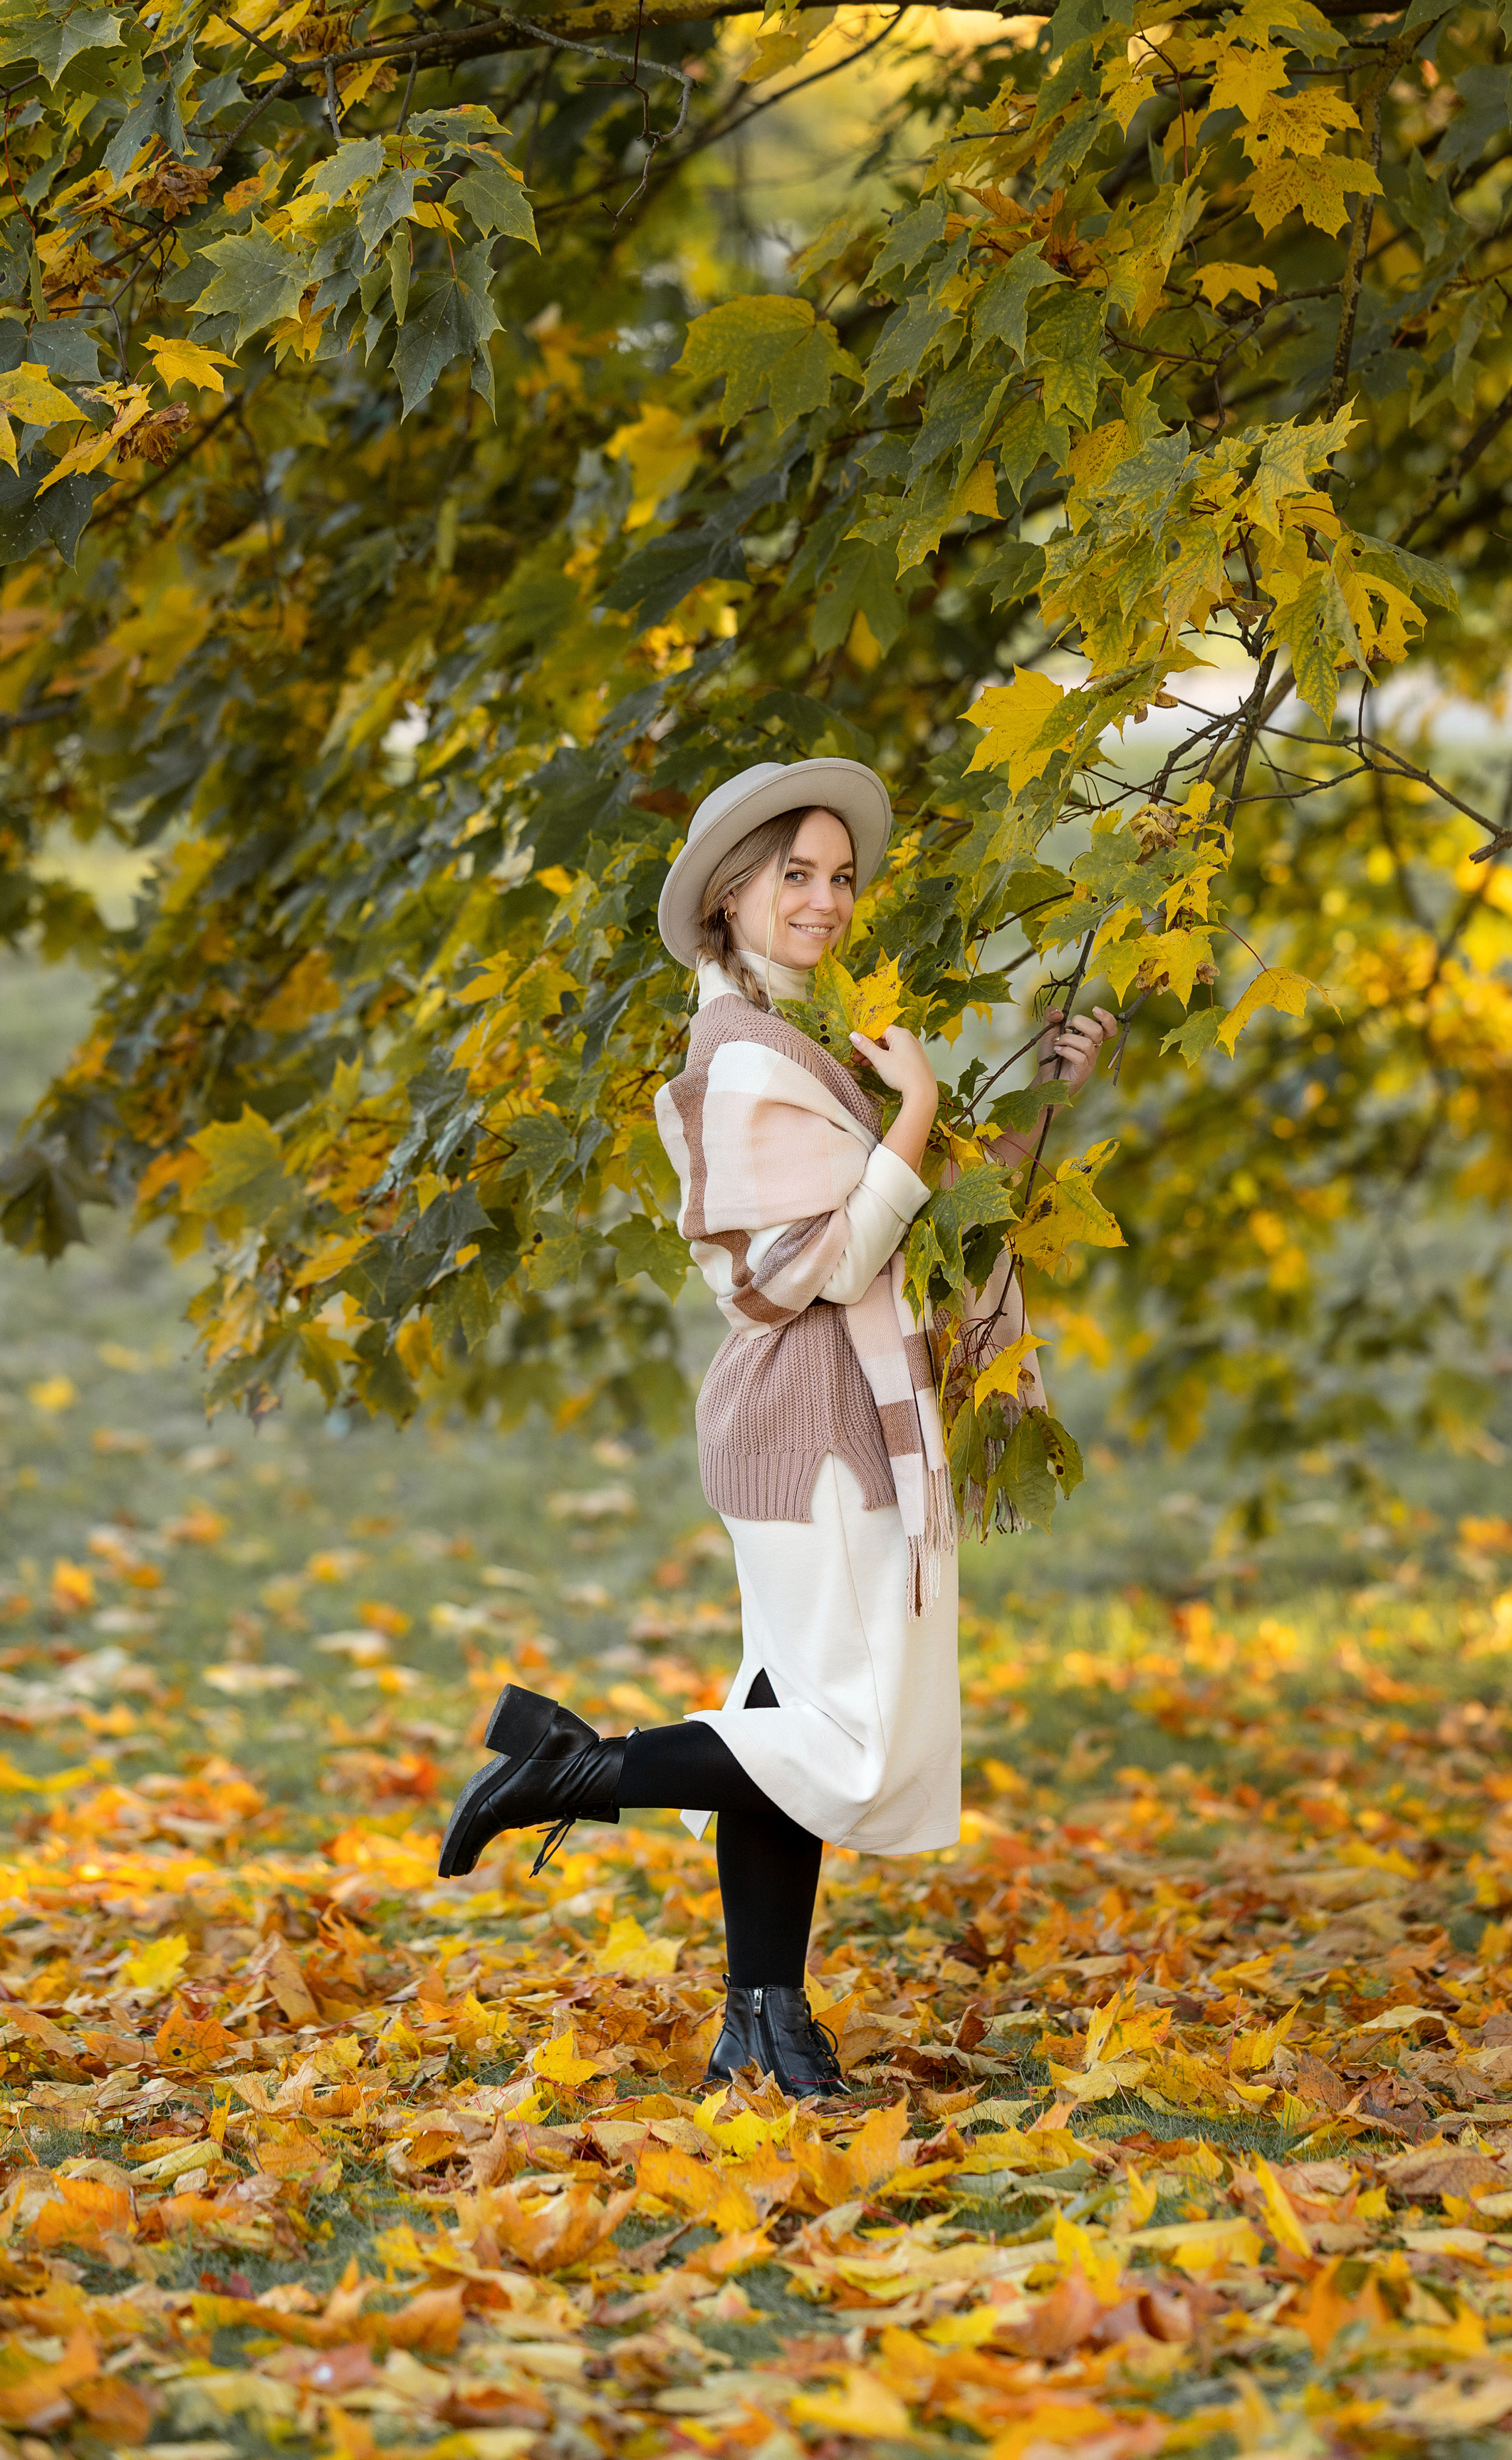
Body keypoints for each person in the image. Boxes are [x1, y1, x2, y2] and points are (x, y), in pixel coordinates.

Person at [437, 759, 1117, 2095]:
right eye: (794, 874)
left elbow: (939, 1218)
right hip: (815, 1427)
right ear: (730, 896)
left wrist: (1042, 1100)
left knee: (781, 1722)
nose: (825, 899)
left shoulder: (803, 1042)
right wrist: (917, 1111)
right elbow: (819, 1265)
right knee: (844, 1744)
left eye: (841, 876)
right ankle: (570, 1773)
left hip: (825, 1419)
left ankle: (763, 2023)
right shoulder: (740, 1062)